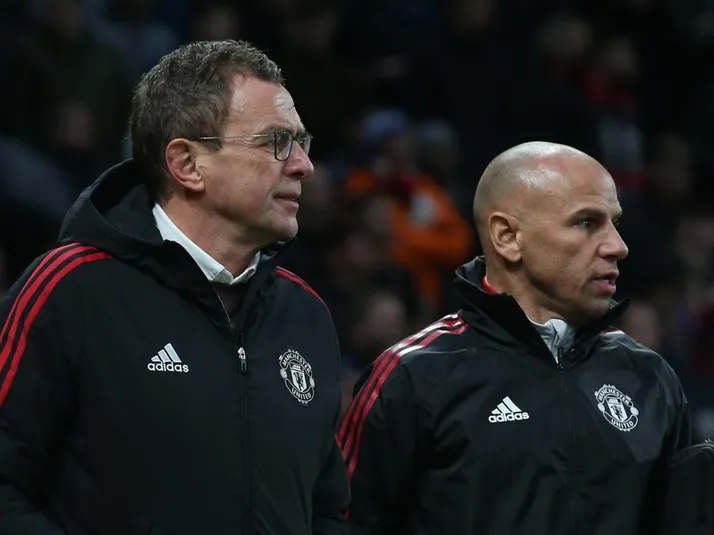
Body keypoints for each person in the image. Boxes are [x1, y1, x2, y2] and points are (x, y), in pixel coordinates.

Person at [0, 40, 349, 535]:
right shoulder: (70, 288)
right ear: (187, 164)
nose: (303, 166)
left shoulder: (306, 313)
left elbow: (328, 511)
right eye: (276, 142)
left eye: (301, 142)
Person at [339, 141, 691, 535]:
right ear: (507, 236)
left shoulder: (649, 377)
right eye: (586, 223)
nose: (618, 247)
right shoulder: (413, 376)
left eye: (615, 224)